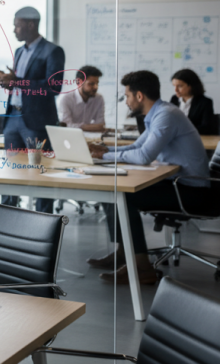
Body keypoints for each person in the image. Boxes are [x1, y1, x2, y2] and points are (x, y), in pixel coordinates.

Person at [88, 71, 214, 285]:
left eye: (127, 96)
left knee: (125, 197)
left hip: (191, 191)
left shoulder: (167, 115)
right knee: (113, 190)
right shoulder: (159, 113)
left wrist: (105, 155)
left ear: (139, 96)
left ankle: (141, 268)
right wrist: (101, 148)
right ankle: (124, 252)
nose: (125, 101)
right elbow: (137, 146)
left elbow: (145, 156)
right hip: (179, 184)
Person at [0, 6, 65, 213]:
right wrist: (6, 80)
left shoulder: (53, 51)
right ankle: (8, 216)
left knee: (41, 172)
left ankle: (43, 219)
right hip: (13, 117)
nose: (14, 30)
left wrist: (18, 81)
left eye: (17, 25)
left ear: (31, 25)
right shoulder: (19, 51)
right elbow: (19, 84)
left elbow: (53, 87)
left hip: (36, 120)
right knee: (10, 171)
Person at [170, 69, 218, 135]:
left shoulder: (205, 102)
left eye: (180, 86)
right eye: (174, 86)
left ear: (191, 86)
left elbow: (206, 127)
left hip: (195, 138)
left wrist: (182, 130)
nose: (176, 90)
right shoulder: (174, 99)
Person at [58, 65, 105, 132]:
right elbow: (66, 126)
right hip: (68, 138)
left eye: (97, 83)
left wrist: (76, 126)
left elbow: (100, 125)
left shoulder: (99, 99)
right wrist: (87, 126)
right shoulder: (65, 99)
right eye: (91, 84)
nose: (96, 87)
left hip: (90, 139)